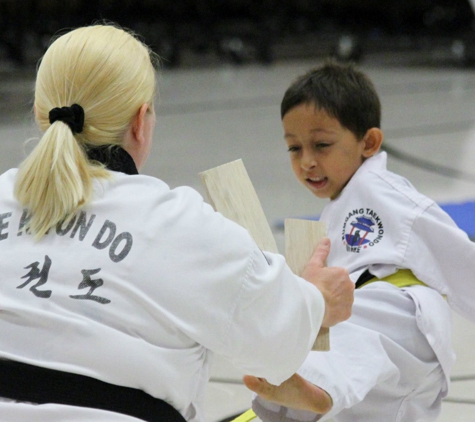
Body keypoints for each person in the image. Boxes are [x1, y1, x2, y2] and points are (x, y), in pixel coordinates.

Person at [0, 26, 355, 422]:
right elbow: (275, 343)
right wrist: (319, 301)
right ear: (141, 121)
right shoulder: (176, 223)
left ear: (40, 115)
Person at [244, 61, 475, 422]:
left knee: (360, 320)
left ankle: (316, 386)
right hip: (388, 369)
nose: (307, 162)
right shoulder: (337, 207)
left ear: (368, 142)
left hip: (404, 322)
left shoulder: (386, 195)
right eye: (294, 148)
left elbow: (459, 259)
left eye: (321, 145)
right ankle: (302, 395)